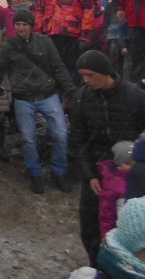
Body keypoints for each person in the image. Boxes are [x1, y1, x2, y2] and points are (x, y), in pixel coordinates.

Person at [69, 50, 145, 267]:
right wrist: (89, 175)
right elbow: (78, 139)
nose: (85, 80)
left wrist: (136, 160)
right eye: (82, 75)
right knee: (91, 225)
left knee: (131, 226)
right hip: (96, 173)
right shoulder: (81, 97)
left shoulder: (134, 95)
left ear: (105, 72)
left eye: (90, 75)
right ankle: (98, 265)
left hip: (131, 174)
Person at [0, 9, 76, 194]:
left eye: (25, 24)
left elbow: (58, 66)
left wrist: (70, 90)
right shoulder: (9, 46)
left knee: (61, 134)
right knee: (28, 139)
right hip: (23, 98)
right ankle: (35, 172)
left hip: (48, 94)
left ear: (31, 26)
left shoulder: (45, 43)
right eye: (18, 24)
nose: (21, 28)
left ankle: (59, 171)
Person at [35, 0, 97, 85]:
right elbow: (40, 9)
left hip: (72, 35)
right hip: (50, 33)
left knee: (71, 70)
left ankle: (72, 99)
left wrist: (85, 36)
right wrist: (38, 31)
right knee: (52, 69)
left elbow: (88, 11)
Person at [97, 140, 134, 240]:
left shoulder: (138, 179)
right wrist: (106, 238)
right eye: (128, 164)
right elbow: (107, 215)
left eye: (135, 163)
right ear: (118, 164)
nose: (132, 167)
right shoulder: (113, 185)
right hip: (121, 232)